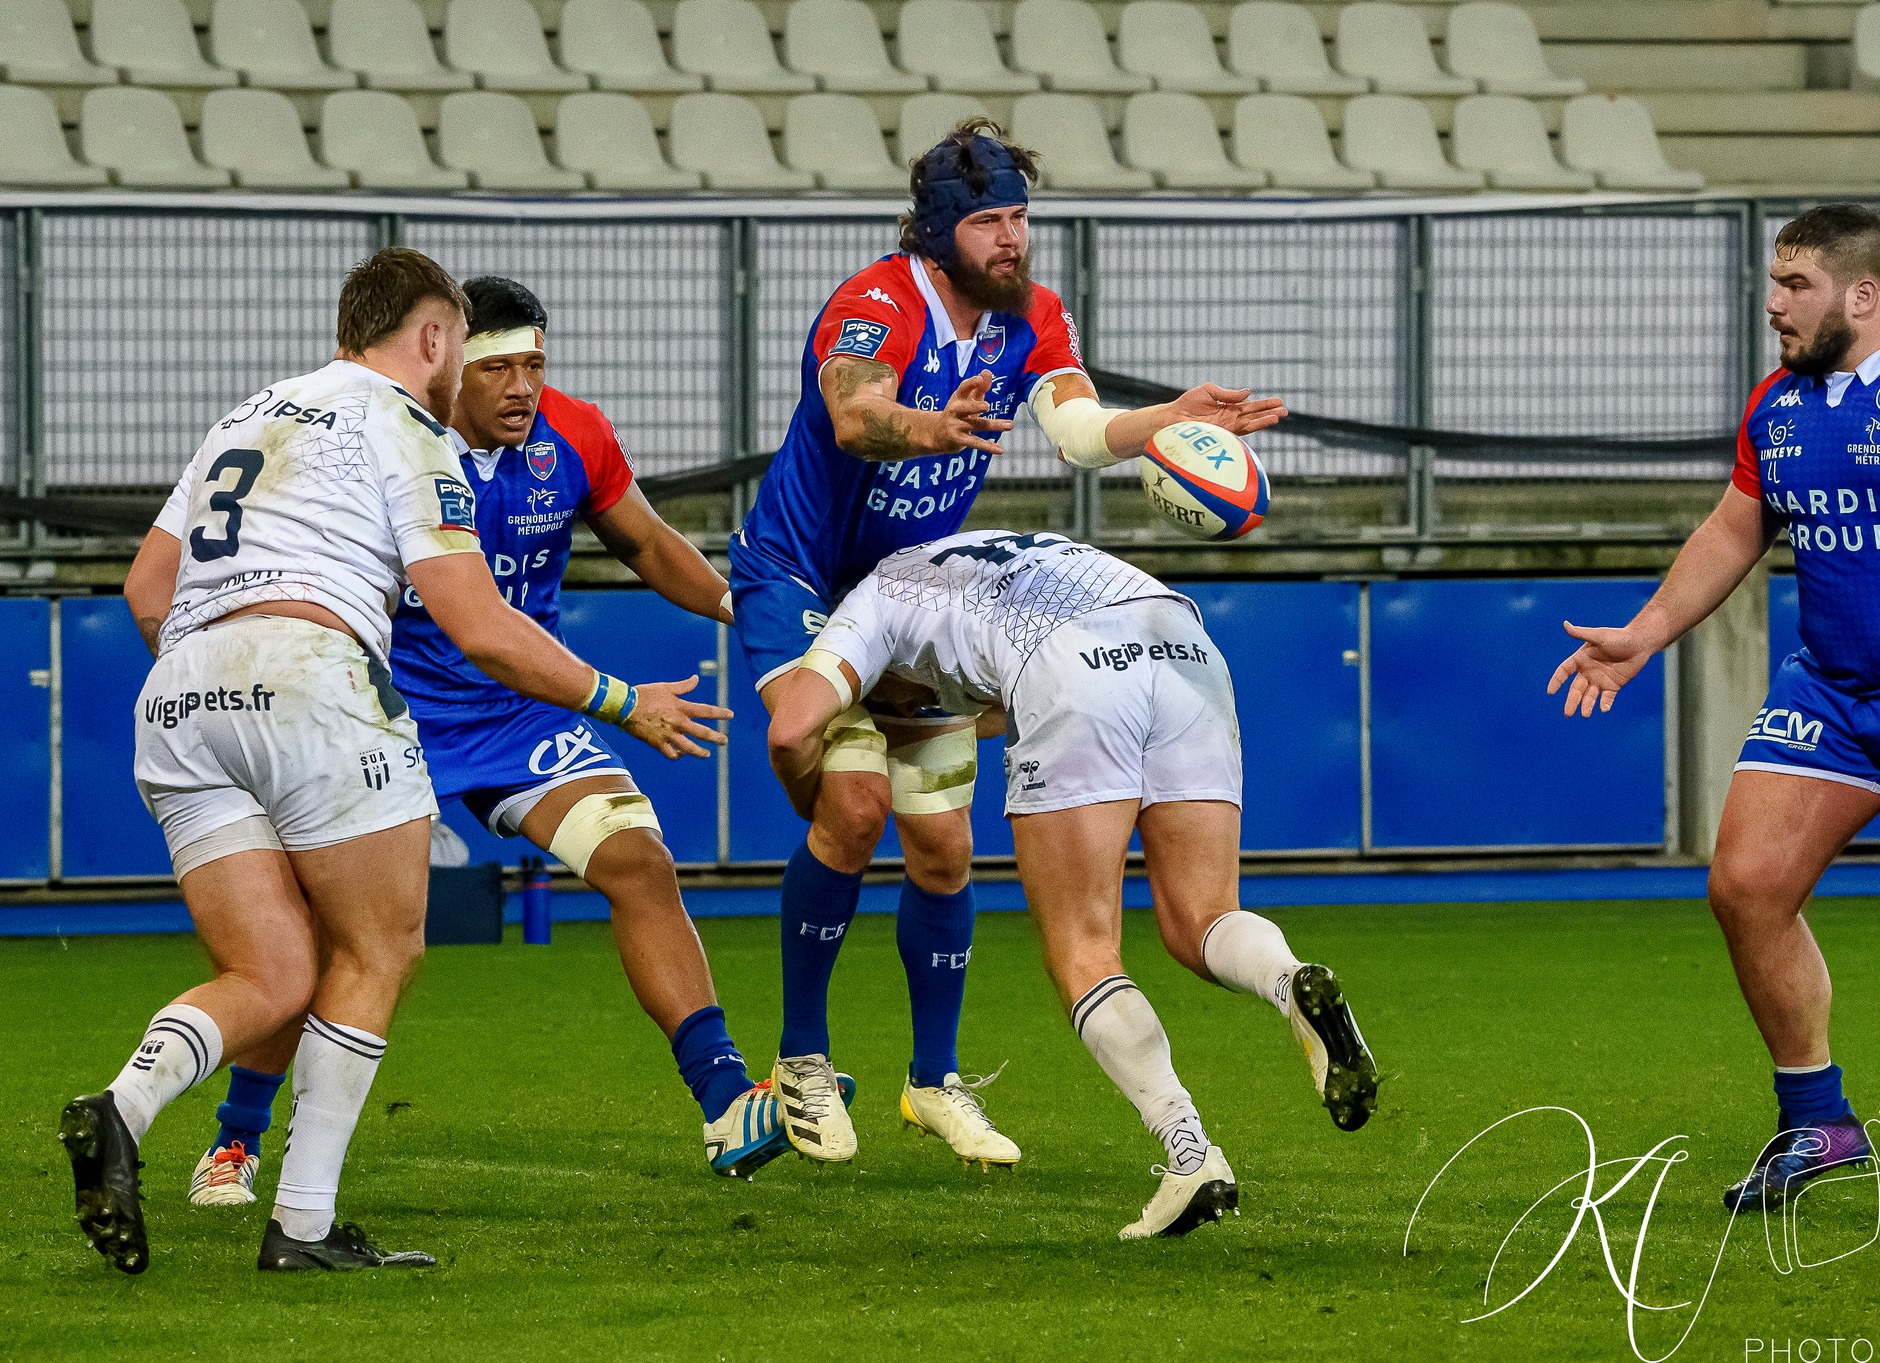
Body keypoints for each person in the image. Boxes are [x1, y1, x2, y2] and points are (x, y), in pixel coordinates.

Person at [68, 247, 724, 1275]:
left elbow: (147, 585)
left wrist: (221, 675)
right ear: (430, 338)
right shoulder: (406, 425)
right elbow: (480, 626)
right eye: (460, 345)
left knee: (271, 968)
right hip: (311, 675)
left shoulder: (250, 413)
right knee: (377, 949)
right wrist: (620, 700)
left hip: (183, 692)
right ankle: (303, 1225)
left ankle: (123, 1102)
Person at [181, 276, 812, 1210]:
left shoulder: (576, 436)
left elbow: (647, 543)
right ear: (448, 365)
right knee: (316, 938)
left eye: (535, 365)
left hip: (523, 714)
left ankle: (725, 1102)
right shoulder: (396, 442)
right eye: (500, 367)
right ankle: (235, 1142)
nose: (523, 387)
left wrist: (748, 615)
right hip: (387, 712)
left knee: (638, 862)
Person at [732, 117, 1285, 1168]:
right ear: (939, 230)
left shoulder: (1029, 315)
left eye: (1020, 217)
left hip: (914, 597)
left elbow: (1077, 435)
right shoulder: (875, 302)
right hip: (800, 582)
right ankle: (800, 1057)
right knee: (854, 805)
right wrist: (922, 425)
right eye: (989, 219)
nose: (1011, 239)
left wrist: (1167, 417)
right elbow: (851, 413)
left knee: (941, 845)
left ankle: (930, 1082)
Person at [1548, 204, 1880, 1228]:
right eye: (1772, 284)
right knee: (1743, 886)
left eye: (1793, 286)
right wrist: (1643, 633)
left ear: (1861, 296)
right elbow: (1735, 526)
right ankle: (1816, 1123)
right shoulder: (1777, 402)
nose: (1770, 304)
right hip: (1826, 686)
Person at [762, 528, 1377, 1236]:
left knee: (1083, 949)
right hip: (1178, 635)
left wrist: (808, 790)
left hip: (1069, 662)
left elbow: (790, 728)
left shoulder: (866, 606)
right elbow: (987, 703)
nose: (919, 715)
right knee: (1202, 917)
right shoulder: (976, 558)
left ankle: (1190, 1154)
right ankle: (1290, 978)